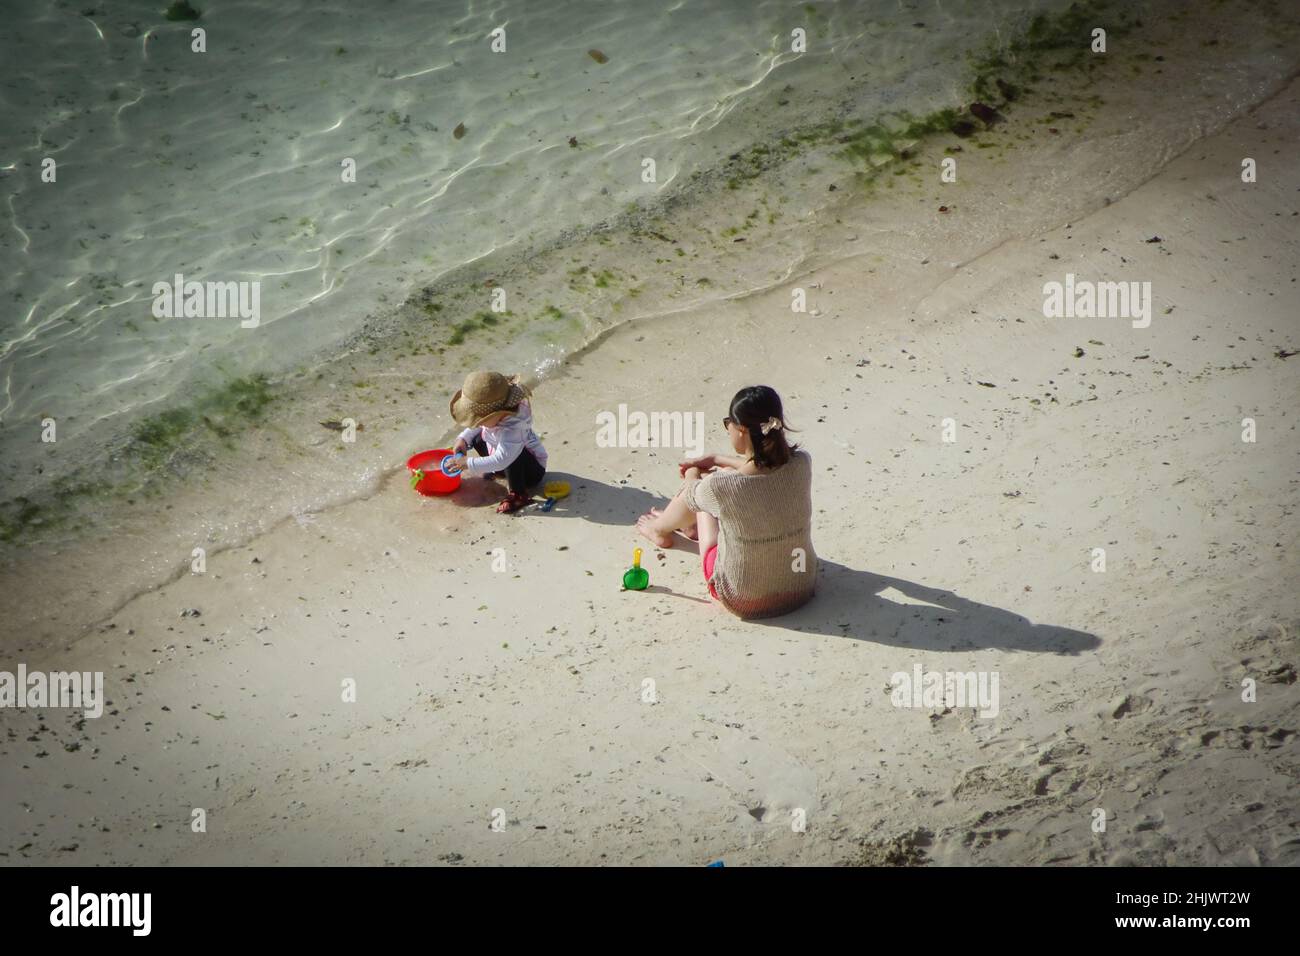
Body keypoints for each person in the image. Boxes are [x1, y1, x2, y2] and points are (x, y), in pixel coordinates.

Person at [636, 385, 816, 618]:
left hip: (743, 598)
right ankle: (688, 527)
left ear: (741, 429)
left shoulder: (722, 485)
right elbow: (763, 471)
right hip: (800, 583)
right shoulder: (802, 463)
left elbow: (692, 494)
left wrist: (692, 471)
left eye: (727, 424)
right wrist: (717, 458)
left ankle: (658, 529)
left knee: (706, 491)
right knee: (718, 491)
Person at [446, 371, 547, 514]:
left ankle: (519, 494)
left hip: (531, 472)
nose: (476, 422)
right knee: (476, 438)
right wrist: (463, 439)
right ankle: (495, 471)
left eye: (479, 419)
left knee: (512, 456)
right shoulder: (497, 417)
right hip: (505, 461)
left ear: (499, 413)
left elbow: (503, 459)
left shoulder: (514, 428)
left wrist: (468, 463)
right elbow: (478, 428)